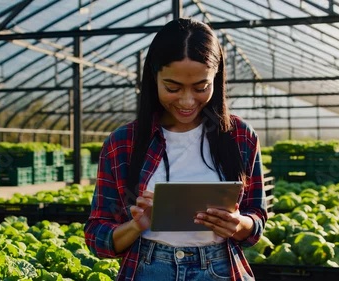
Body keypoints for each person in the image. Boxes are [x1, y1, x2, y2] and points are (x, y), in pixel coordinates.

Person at [85, 17, 267, 281]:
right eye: (172, 87)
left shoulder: (239, 137)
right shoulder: (123, 142)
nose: (187, 100)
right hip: (149, 268)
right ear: (153, 78)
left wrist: (239, 224)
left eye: (201, 87)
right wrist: (136, 225)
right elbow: (96, 234)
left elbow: (257, 219)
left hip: (220, 269)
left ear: (217, 78)